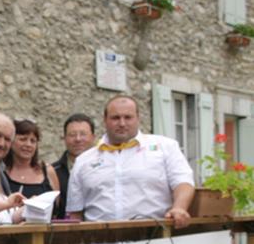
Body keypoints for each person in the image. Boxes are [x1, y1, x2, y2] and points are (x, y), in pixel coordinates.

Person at [67, 95, 195, 228]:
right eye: (115, 118)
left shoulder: (165, 147)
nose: (122, 123)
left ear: (138, 118)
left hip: (153, 241)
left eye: (128, 117)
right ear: (105, 120)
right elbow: (74, 213)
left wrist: (179, 208)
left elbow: (183, 182)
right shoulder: (83, 160)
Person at [4, 119, 60, 202]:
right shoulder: (2, 171)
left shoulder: (48, 171)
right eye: (23, 139)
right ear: (11, 141)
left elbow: (57, 206)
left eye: (33, 141)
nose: (28, 145)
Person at [52, 113, 95, 219]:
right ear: (64, 138)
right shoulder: (52, 172)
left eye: (83, 134)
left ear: (93, 137)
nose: (78, 139)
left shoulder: (105, 169)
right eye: (72, 134)